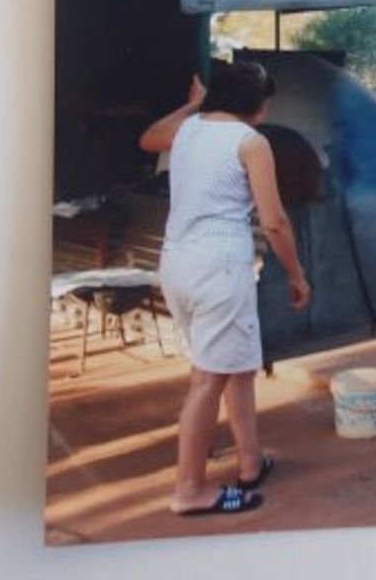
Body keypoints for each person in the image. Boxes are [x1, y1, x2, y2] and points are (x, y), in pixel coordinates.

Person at [139, 62, 312, 515]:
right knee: (207, 380)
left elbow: (148, 137)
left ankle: (250, 462)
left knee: (236, 367)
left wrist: (194, 105)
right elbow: (274, 222)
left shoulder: (189, 130)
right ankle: (189, 490)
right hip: (219, 270)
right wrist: (296, 275)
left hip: (178, 265)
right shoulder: (251, 142)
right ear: (258, 106)